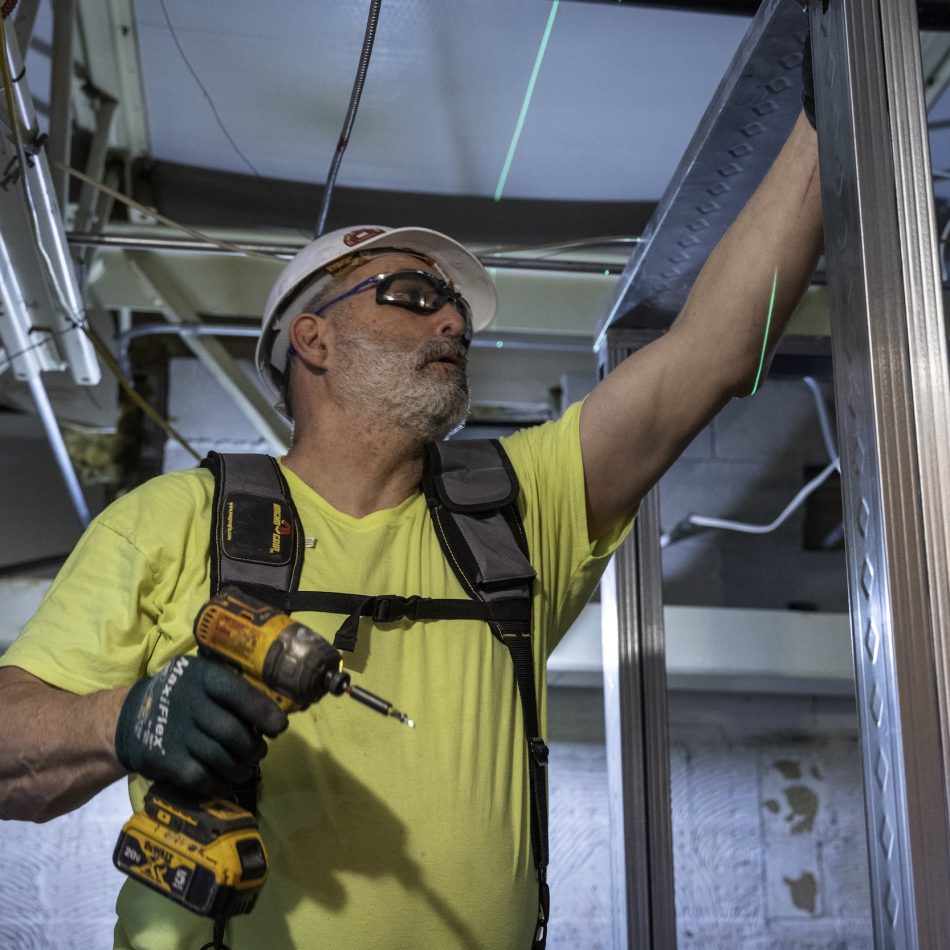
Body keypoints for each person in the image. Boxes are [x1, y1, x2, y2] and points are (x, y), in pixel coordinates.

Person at [0, 104, 823, 949]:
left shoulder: (516, 509)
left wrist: (824, 111)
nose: (455, 322)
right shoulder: (177, 520)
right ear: (312, 340)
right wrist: (127, 718)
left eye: (456, 305)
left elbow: (716, 352)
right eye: (415, 296)